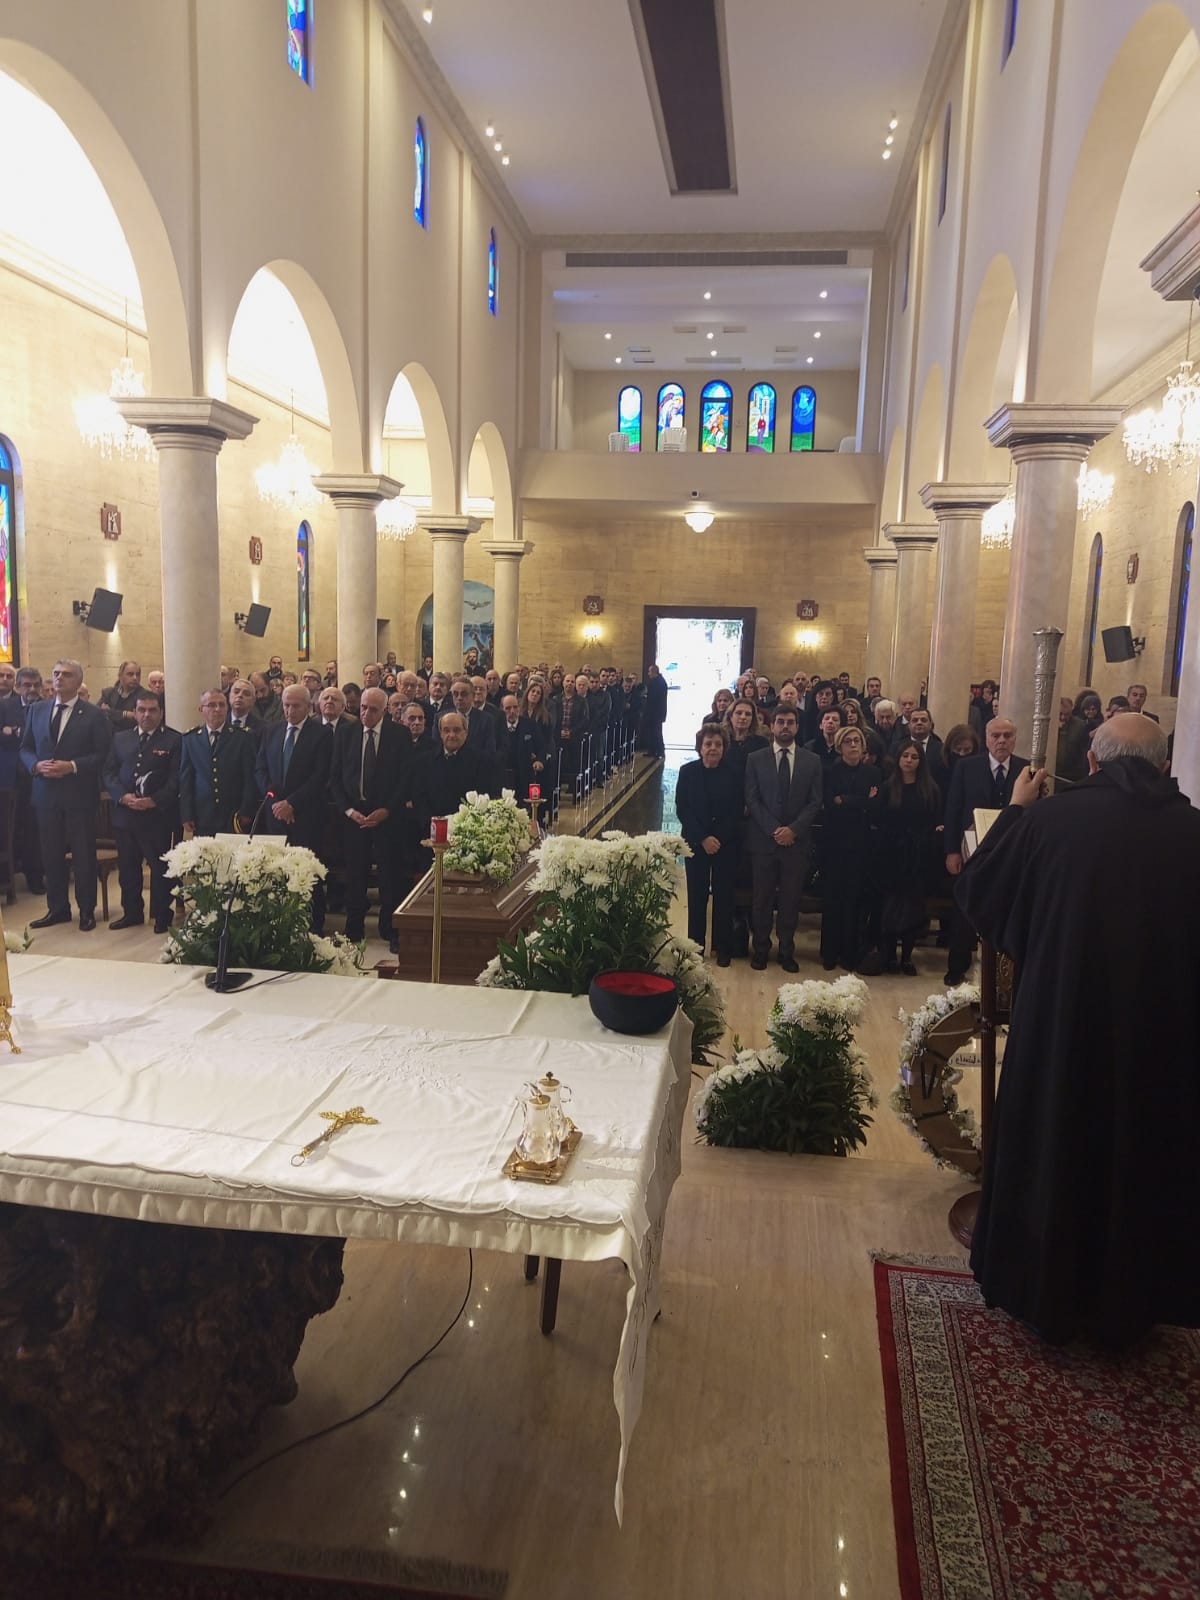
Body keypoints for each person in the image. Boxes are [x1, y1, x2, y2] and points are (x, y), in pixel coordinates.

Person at [958, 714, 1200, 1347]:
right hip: (1162, 1042)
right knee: (1142, 1155)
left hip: (1062, 1027)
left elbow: (981, 890)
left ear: (1092, 761)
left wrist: (1015, 810)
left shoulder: (1048, 822)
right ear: (1163, 764)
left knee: (1057, 1144)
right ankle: (1138, 1302)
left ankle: (1045, 1293)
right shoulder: (1193, 834)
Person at [20, 659, 112, 931]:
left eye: (67, 675)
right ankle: (57, 908)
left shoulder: (93, 715)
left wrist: (72, 766)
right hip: (45, 794)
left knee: (83, 855)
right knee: (51, 855)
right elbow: (25, 748)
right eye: (56, 673)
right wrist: (36, 765)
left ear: (78, 681)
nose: (60, 678)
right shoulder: (37, 710)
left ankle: (86, 910)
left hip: (78, 795)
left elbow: (103, 755)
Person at [942, 718, 1028, 983]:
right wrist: (952, 851)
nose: (1001, 741)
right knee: (965, 905)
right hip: (972, 846)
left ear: (1015, 739)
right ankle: (957, 967)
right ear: (986, 738)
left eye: (1007, 735)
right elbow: (954, 808)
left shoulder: (1026, 769)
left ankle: (1005, 971)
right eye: (996, 735)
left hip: (1011, 849)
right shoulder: (967, 766)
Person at [329, 686, 411, 948]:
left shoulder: (399, 735)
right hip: (354, 814)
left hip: (387, 815)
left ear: (385, 710)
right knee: (355, 874)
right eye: (363, 708)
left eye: (373, 709)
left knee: (389, 875)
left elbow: (405, 779)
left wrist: (387, 810)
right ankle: (353, 929)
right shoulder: (346, 732)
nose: (366, 713)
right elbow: (335, 778)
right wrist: (349, 810)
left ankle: (390, 929)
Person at [744, 704, 822, 972]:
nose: (785, 726)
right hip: (764, 842)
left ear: (797, 726)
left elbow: (815, 801)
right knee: (762, 899)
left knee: (790, 900)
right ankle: (761, 949)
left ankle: (786, 950)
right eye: (780, 722)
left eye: (790, 722)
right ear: (772, 726)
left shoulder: (812, 761)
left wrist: (793, 830)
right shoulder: (756, 759)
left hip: (796, 843)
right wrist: (774, 829)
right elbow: (752, 798)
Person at [103, 687, 180, 933]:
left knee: (159, 869)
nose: (147, 715)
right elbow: (109, 772)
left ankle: (161, 915)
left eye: (152, 710)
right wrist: (122, 796)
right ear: (134, 713)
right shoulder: (120, 738)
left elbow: (176, 779)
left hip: (156, 817)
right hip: (125, 814)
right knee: (128, 868)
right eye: (142, 710)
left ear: (161, 713)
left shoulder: (173, 739)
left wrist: (154, 800)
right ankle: (132, 912)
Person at [675, 723, 743, 966]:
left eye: (718, 744)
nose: (713, 748)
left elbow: (737, 810)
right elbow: (683, 808)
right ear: (700, 747)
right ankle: (696, 947)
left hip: (726, 843)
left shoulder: (735, 773)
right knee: (697, 896)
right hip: (696, 842)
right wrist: (703, 838)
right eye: (708, 744)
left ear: (724, 748)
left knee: (724, 896)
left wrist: (718, 838)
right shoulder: (687, 772)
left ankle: (723, 947)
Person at [876, 740, 941, 974]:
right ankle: (890, 955)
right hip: (892, 854)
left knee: (913, 907)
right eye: (905, 756)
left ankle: (907, 957)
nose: (909, 760)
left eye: (914, 757)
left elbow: (934, 820)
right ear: (898, 758)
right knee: (891, 906)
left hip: (918, 855)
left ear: (920, 761)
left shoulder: (930, 789)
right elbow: (880, 818)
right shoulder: (888, 787)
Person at [819, 726, 878, 972]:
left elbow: (875, 805)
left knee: (854, 899)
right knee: (833, 898)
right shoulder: (830, 772)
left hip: (861, 843)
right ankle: (829, 953)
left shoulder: (873, 772)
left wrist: (846, 799)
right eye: (848, 741)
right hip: (834, 841)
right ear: (839, 746)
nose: (853, 745)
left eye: (857, 741)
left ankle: (849, 953)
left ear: (863, 746)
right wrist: (861, 800)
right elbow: (830, 803)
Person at [179, 688, 258, 838]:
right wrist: (186, 813)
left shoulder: (242, 737)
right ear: (201, 709)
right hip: (203, 814)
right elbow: (186, 779)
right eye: (211, 705)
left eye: (222, 705)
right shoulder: (191, 739)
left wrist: (247, 810)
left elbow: (249, 777)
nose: (217, 709)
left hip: (233, 814)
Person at [498, 693, 551, 798]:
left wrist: (539, 760)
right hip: (503, 773)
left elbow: (542, 746)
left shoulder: (530, 724)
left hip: (525, 772)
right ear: (502, 710)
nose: (512, 711)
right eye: (508, 708)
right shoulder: (497, 726)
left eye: (515, 707)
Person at [99, 660, 142, 733]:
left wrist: (110, 712)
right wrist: (125, 714)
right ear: (120, 676)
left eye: (137, 674)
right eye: (130, 674)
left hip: (130, 735)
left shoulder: (144, 696)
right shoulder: (108, 693)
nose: (135, 678)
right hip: (108, 735)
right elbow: (98, 713)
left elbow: (135, 718)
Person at [642, 664, 668, 758]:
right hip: (656, 713)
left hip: (655, 713)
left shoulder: (658, 683)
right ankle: (653, 750)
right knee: (653, 733)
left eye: (649, 672)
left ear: (654, 672)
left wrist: (646, 696)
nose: (648, 674)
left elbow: (654, 699)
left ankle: (659, 751)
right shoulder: (659, 681)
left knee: (656, 733)